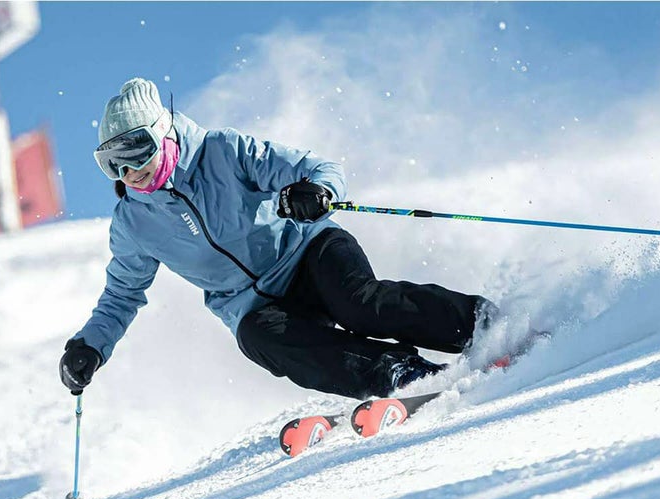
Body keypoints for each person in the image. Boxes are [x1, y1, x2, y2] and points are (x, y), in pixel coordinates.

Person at [60, 78, 496, 399]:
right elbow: (121, 295)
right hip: (256, 305)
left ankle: (479, 323)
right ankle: (398, 374)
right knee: (258, 339)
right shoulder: (134, 223)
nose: (128, 171)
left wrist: (316, 192)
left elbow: (319, 168)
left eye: (135, 151)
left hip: (308, 252)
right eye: (111, 163)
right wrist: (90, 346)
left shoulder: (222, 152)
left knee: (358, 304)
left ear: (162, 131)